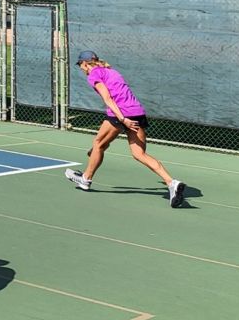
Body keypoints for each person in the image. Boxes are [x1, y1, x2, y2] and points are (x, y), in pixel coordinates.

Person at [64, 51, 186, 207]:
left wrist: (122, 119)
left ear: (86, 63)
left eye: (81, 65)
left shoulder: (93, 75)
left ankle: (86, 179)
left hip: (121, 113)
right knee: (139, 154)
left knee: (98, 143)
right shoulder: (112, 71)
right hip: (137, 111)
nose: (81, 69)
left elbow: (107, 98)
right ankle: (172, 183)